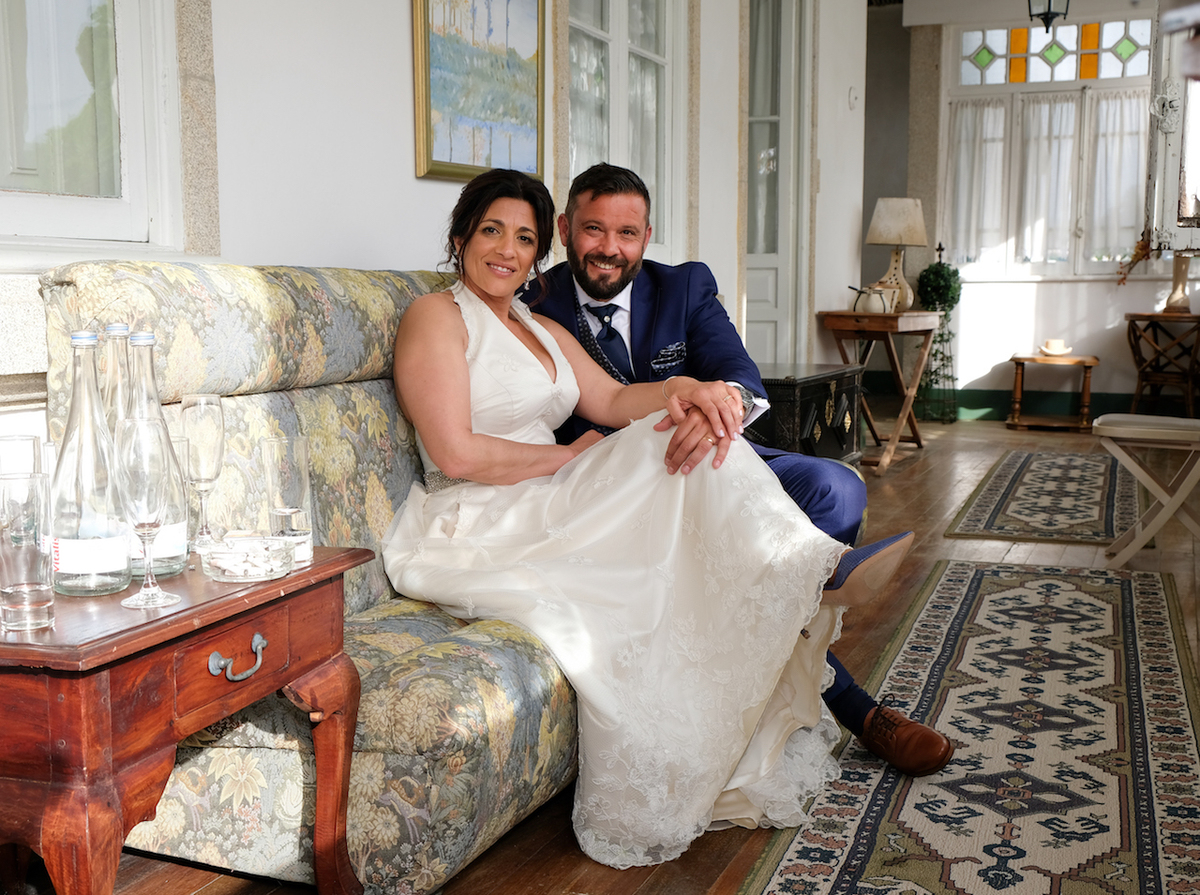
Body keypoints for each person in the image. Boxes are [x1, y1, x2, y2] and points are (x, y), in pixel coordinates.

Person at [381, 168, 916, 869]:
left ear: (540, 250)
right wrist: (567, 459)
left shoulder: (537, 325)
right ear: (460, 238)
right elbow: (454, 451)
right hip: (480, 513)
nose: (507, 250)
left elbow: (609, 400)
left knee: (686, 428)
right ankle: (806, 570)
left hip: (547, 493)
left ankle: (802, 565)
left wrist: (686, 390)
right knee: (667, 450)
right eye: (491, 231)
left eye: (524, 238)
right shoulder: (436, 315)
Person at [523, 162, 953, 777]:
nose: (609, 248)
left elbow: (740, 375)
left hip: (707, 459)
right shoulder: (529, 306)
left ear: (647, 236)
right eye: (594, 229)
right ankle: (858, 701)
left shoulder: (684, 287)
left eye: (627, 233)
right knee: (744, 570)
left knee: (836, 488)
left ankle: (803, 577)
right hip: (616, 489)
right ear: (565, 229)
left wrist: (713, 414)